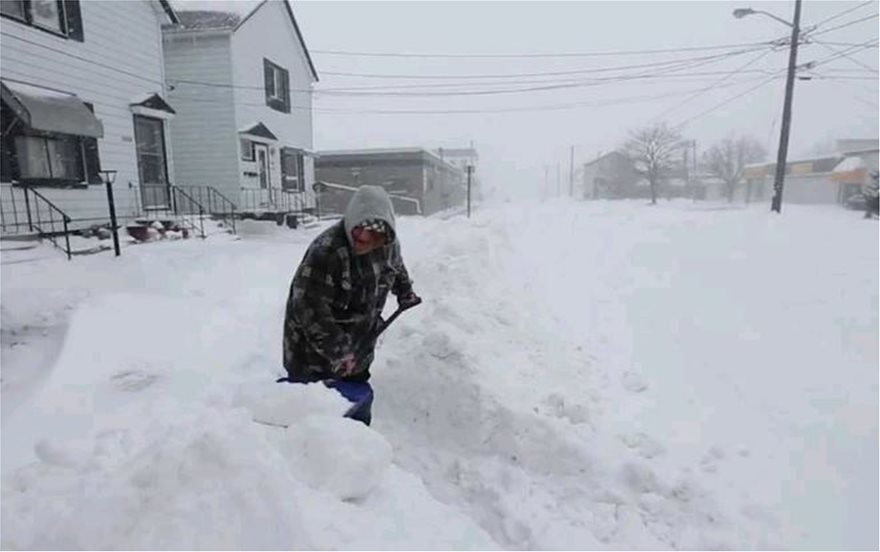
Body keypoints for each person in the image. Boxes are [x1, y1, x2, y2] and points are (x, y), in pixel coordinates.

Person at [281, 185, 420, 425]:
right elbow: (309, 308)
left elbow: (396, 267)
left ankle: (359, 447)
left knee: (356, 407)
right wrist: (338, 351)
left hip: (359, 347)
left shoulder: (388, 246)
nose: (364, 239)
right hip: (313, 356)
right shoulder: (327, 251)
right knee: (317, 421)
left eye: (374, 235)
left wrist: (404, 291)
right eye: (360, 230)